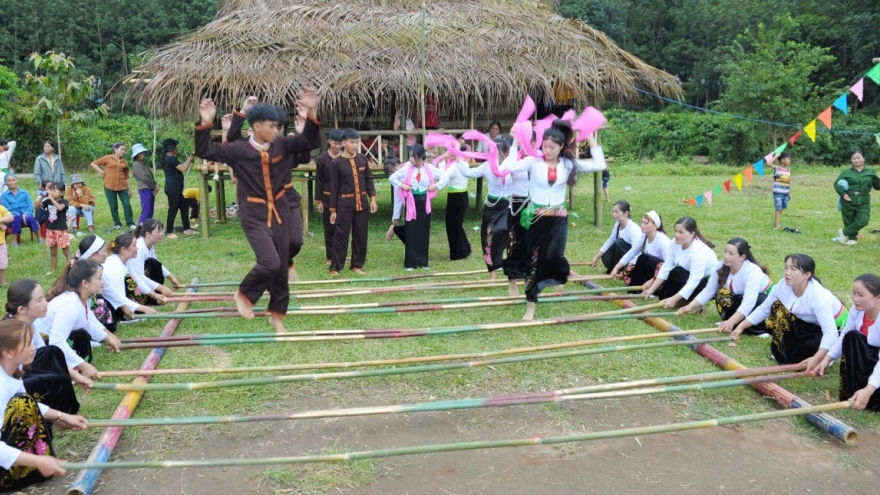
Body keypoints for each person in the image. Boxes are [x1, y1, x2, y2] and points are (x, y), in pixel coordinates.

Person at [194, 90, 320, 332]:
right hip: (254, 215)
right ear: (257, 126)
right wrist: (206, 121)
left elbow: (310, 142)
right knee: (271, 263)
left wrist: (312, 111)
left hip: (281, 211)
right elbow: (204, 151)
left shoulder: (281, 145)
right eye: (272, 127)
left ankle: (276, 315)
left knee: (281, 265)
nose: (277, 131)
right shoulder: (238, 150)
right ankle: (243, 294)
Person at [499, 121, 607, 320]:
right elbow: (511, 166)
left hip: (558, 221)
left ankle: (552, 278)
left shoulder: (568, 164)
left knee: (554, 256)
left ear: (561, 148)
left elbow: (599, 164)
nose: (547, 150)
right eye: (545, 146)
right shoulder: (533, 161)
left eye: (552, 147)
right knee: (533, 262)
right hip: (536, 220)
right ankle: (530, 306)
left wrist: (590, 135)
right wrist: (514, 142)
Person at [226, 101, 310, 281]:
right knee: (268, 243)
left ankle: (286, 262)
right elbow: (232, 139)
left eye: (279, 127)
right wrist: (242, 113)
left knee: (295, 241)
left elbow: (304, 156)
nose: (275, 132)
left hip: (287, 199)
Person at [0, 319, 87, 491]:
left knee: (24, 402)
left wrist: (61, 416)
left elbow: (30, 404)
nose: (34, 347)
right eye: (26, 344)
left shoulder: (11, 371)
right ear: (8, 352)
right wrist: (38, 461)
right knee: (22, 403)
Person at [731, 254, 847, 367]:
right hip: (802, 322)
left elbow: (830, 332)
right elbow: (764, 309)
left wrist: (818, 358)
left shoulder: (819, 296)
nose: (787, 272)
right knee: (778, 308)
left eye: (793, 269)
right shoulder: (782, 285)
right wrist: (741, 326)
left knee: (809, 352)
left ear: (807, 274)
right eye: (786, 267)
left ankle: (827, 355)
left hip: (830, 328)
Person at [4, 279, 93, 413]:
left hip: (20, 376)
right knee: (52, 377)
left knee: (53, 352)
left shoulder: (29, 325)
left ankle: (63, 408)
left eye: (44, 298)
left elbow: (47, 355)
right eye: (39, 300)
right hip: (9, 388)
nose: (46, 303)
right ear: (22, 309)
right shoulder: (14, 334)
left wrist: (76, 376)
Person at [35, 259, 122, 378]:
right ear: (85, 283)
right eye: (99, 278)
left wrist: (106, 337)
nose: (103, 281)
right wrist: (83, 365)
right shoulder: (70, 305)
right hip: (39, 348)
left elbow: (86, 323)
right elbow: (56, 341)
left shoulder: (81, 298)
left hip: (49, 343)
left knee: (83, 339)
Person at [678, 238, 771, 336]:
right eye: (725, 251)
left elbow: (749, 302)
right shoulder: (720, 267)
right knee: (721, 294)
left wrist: (731, 321)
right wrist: (689, 307)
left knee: (760, 299)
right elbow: (709, 291)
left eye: (731, 254)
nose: (726, 256)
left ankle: (758, 330)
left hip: (754, 303)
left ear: (742, 257)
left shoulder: (752, 271)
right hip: (737, 299)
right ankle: (729, 321)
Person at [816, 274, 880, 411]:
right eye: (854, 293)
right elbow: (844, 336)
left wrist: (869, 389)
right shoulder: (857, 311)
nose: (855, 299)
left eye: (861, 295)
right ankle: (854, 390)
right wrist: (827, 359)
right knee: (852, 337)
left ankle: (869, 394)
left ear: (878, 298)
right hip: (872, 359)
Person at [457, 137, 512, 279]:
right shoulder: (487, 165)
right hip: (491, 207)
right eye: (490, 152)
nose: (492, 155)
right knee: (486, 238)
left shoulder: (512, 164)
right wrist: (458, 156)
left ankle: (512, 267)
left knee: (505, 234)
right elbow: (467, 173)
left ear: (506, 153)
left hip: (507, 206)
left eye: (496, 152)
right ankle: (491, 273)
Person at [327, 128, 378, 275]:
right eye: (352, 142)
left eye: (357, 142)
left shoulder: (362, 159)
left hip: (361, 203)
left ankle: (357, 265)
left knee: (361, 235)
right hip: (344, 205)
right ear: (343, 143)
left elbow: (368, 179)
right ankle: (336, 267)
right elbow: (334, 189)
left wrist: (372, 198)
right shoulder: (336, 163)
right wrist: (332, 210)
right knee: (341, 235)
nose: (355, 145)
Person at [389, 144, 448, 270]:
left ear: (421, 157)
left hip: (424, 201)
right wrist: (402, 185)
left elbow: (445, 177)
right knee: (411, 231)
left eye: (413, 157)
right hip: (411, 201)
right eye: (409, 156)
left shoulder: (430, 168)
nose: (411, 159)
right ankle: (410, 262)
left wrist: (435, 186)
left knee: (423, 231)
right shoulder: (407, 169)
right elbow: (392, 178)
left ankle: (423, 262)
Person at [642, 217, 717, 308]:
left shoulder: (698, 251)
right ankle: (684, 301)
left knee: (677, 273)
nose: (677, 235)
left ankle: (694, 304)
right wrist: (652, 289)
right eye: (676, 231)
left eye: (681, 232)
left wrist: (674, 299)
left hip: (705, 284)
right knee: (665, 294)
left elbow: (694, 280)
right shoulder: (674, 243)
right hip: (685, 276)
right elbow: (667, 266)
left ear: (692, 234)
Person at [101, 233, 159, 327]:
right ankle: (123, 316)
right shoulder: (115, 266)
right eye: (134, 246)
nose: (137, 248)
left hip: (117, 299)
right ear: (123, 249)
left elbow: (137, 280)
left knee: (132, 282)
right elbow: (118, 297)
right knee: (129, 282)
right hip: (109, 303)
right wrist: (144, 308)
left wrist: (154, 294)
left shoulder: (125, 260)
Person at [609, 210, 670, 287]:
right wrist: (616, 268)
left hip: (661, 273)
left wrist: (653, 281)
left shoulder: (663, 241)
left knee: (644, 257)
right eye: (642, 222)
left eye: (645, 223)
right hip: (650, 270)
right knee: (632, 267)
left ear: (655, 226)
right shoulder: (644, 236)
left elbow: (669, 265)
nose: (642, 225)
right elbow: (632, 252)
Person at [128, 219, 179, 306]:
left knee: (154, 263)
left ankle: (154, 295)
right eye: (158, 231)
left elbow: (157, 263)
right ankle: (151, 297)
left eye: (162, 231)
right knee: (152, 263)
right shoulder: (139, 249)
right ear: (148, 234)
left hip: (138, 281)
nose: (162, 234)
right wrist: (161, 288)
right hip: (130, 285)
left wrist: (171, 277)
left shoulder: (149, 245)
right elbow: (138, 277)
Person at [834, 150, 879, 245]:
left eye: (859, 158)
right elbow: (836, 184)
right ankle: (853, 239)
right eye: (854, 158)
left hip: (864, 199)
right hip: (849, 199)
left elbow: (877, 186)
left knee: (863, 220)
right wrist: (843, 194)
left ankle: (844, 232)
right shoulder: (846, 172)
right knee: (849, 220)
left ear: (864, 159)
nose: (856, 160)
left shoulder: (870, 172)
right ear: (851, 160)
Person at [74, 235, 118, 331]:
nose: (106, 254)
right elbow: (110, 292)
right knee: (99, 302)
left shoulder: (95, 268)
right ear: (93, 255)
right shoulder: (87, 271)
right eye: (103, 251)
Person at [90, 143, 135, 231]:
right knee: (113, 206)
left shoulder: (124, 162)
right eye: (122, 149)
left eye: (125, 150)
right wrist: (101, 172)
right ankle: (117, 224)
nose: (123, 151)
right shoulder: (108, 158)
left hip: (122, 187)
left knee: (127, 205)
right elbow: (94, 164)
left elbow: (126, 176)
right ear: (115, 149)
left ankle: (130, 223)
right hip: (109, 186)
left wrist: (129, 189)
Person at [315, 130, 344, 264]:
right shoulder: (322, 159)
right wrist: (319, 200)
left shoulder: (345, 159)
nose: (337, 146)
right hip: (327, 197)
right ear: (329, 141)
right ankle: (330, 257)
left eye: (339, 144)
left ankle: (340, 254)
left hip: (343, 198)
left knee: (342, 228)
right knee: (329, 228)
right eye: (335, 143)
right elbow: (319, 181)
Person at [590, 200, 641, 274]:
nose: (614, 214)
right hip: (625, 255)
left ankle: (622, 269)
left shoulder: (633, 229)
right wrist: (596, 257)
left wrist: (628, 269)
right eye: (613, 212)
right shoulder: (617, 225)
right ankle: (615, 269)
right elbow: (610, 241)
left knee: (618, 243)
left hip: (634, 259)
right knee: (612, 247)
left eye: (617, 212)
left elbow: (637, 252)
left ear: (626, 213)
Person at [439, 150, 471, 261]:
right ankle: (464, 249)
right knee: (457, 225)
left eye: (452, 153)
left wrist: (442, 161)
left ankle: (457, 254)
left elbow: (442, 177)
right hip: (461, 196)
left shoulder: (455, 166)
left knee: (452, 227)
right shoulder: (463, 164)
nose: (448, 154)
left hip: (456, 197)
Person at [161, 138, 196, 239]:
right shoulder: (170, 158)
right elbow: (183, 168)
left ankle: (187, 229)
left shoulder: (170, 158)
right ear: (171, 149)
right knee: (173, 209)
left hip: (175, 187)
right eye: (175, 147)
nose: (177, 149)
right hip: (173, 188)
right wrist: (190, 160)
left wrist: (189, 159)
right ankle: (169, 232)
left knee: (184, 206)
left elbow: (181, 166)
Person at [0, 175, 41, 246]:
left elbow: (30, 206)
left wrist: (25, 214)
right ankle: (14, 241)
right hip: (12, 217)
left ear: (17, 181)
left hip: (26, 215)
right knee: (17, 217)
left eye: (13, 180)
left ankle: (40, 239)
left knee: (30, 217)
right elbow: (8, 210)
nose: (11, 182)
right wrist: (21, 216)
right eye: (9, 181)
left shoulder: (24, 193)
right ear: (6, 183)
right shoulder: (4, 196)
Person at [40, 182, 70, 274]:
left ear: (61, 193)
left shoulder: (64, 202)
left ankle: (72, 269)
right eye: (50, 190)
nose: (52, 192)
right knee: (53, 253)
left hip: (61, 230)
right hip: (50, 230)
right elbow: (36, 207)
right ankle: (52, 271)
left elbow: (60, 208)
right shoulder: (47, 201)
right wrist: (42, 197)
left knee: (66, 252)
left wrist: (51, 198)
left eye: (54, 190)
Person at [131, 143, 158, 225]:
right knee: (146, 209)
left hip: (149, 188)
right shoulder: (136, 164)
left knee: (150, 209)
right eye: (140, 153)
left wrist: (156, 185)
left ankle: (148, 226)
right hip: (144, 188)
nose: (142, 155)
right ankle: (140, 227)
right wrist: (154, 186)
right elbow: (144, 178)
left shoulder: (144, 163)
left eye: (143, 153)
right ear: (136, 155)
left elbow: (150, 176)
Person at [766, 152, 792, 230]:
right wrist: (776, 156)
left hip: (785, 193)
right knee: (778, 208)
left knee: (782, 207)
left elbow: (789, 181)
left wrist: (789, 193)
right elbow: (769, 163)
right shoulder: (777, 168)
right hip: (778, 192)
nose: (790, 161)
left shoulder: (788, 170)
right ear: (782, 160)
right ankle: (777, 225)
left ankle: (776, 221)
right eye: (788, 159)